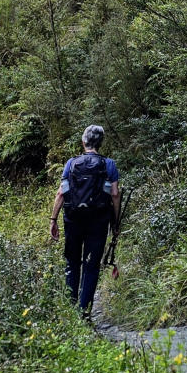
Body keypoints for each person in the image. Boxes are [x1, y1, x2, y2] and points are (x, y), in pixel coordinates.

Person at [49, 123, 121, 320]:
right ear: (101, 143)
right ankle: (84, 312)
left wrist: (53, 219)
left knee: (72, 262)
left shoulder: (71, 163)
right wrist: (115, 223)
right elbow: (115, 194)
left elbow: (61, 193)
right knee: (92, 265)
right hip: (99, 220)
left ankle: (71, 311)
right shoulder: (109, 164)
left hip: (73, 219)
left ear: (83, 142)